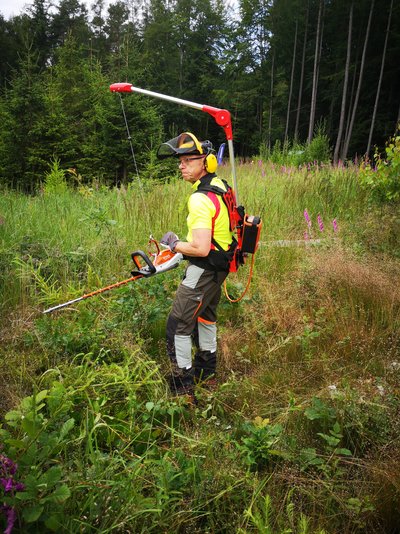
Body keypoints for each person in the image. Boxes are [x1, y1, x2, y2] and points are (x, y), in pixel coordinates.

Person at [157, 132, 235, 396]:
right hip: (220, 267)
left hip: (204, 269)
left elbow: (200, 248)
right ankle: (207, 374)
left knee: (177, 325)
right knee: (206, 317)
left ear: (206, 162)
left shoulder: (199, 198)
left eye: (189, 160)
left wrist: (174, 244)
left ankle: (183, 387)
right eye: (180, 160)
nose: (181, 165)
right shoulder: (220, 185)